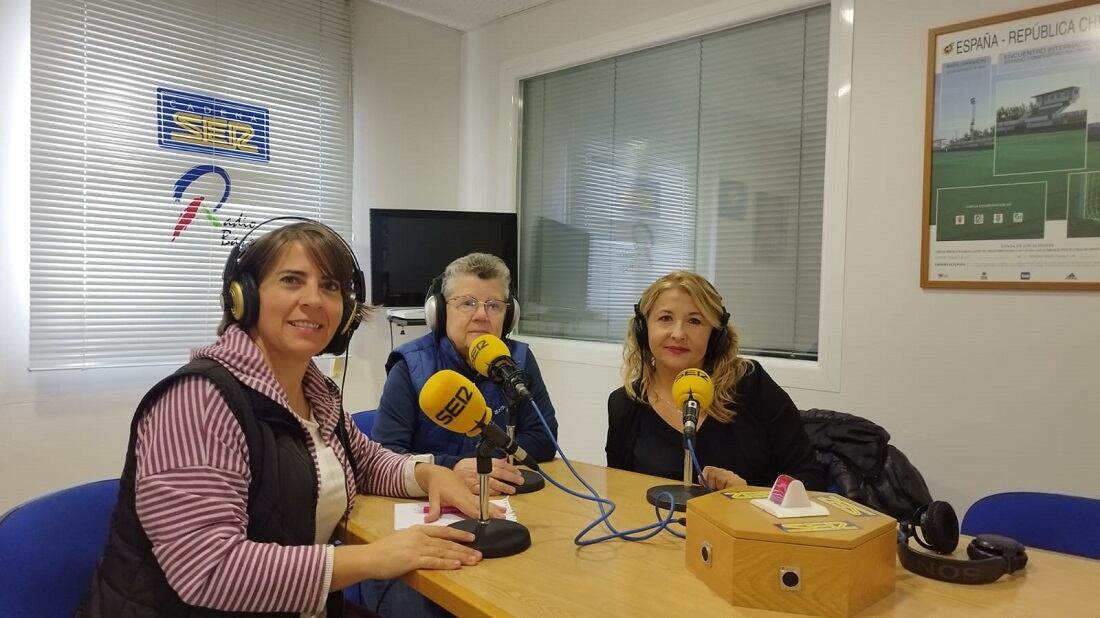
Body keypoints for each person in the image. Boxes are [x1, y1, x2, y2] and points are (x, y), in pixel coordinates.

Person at [81, 220, 497, 617]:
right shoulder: (198, 400)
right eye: (291, 280)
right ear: (244, 297)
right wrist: (372, 558)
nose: (314, 300)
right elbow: (209, 570)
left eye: (330, 286)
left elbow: (366, 461)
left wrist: (428, 475)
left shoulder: (313, 391)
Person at [606, 271, 826, 492]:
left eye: (694, 321)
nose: (678, 333)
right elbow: (619, 492)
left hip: (744, 522)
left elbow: (810, 479)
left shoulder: (750, 384)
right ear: (643, 329)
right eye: (665, 318)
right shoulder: (625, 404)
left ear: (716, 336)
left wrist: (747, 493)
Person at [373, 252, 559, 496]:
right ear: (439, 311)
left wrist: (484, 467)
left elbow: (544, 440)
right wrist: (452, 467)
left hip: (502, 498)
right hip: (428, 504)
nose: (482, 315)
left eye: (494, 306)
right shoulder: (409, 365)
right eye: (467, 303)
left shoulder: (518, 360)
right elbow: (386, 455)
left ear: (509, 315)